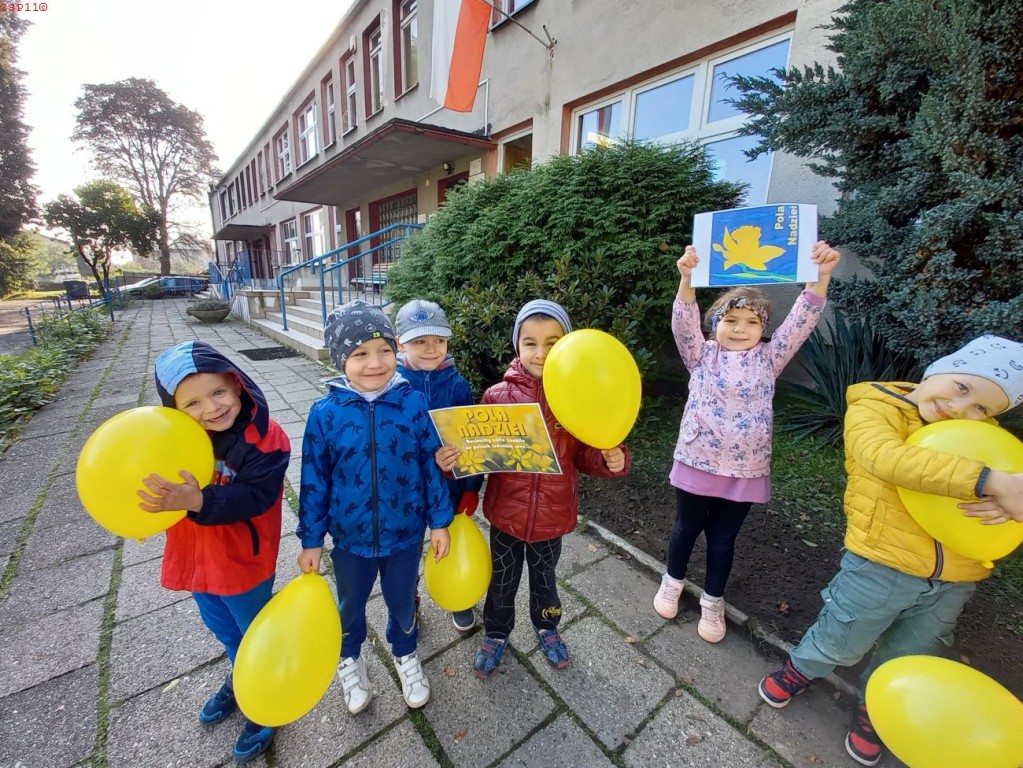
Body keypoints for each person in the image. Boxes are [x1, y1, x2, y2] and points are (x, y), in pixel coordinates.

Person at [756, 334, 1023, 766]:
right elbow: (886, 458)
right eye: (962, 387)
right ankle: (801, 669)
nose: (962, 408)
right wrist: (992, 483)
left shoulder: (983, 441)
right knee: (842, 634)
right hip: (881, 562)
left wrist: (1010, 499)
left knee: (914, 650)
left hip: (956, 576)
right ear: (940, 369)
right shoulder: (876, 408)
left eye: (982, 408)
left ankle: (880, 707)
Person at [653, 242, 841, 644]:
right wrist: (687, 279)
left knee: (723, 538)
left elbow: (801, 320)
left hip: (745, 470)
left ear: (763, 329)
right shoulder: (701, 355)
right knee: (686, 528)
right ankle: (672, 581)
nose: (740, 329)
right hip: (697, 459)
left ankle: (713, 601)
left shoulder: (770, 358)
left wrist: (821, 276)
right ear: (714, 324)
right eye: (731, 320)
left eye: (751, 322)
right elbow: (682, 321)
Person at [296, 300, 452, 715]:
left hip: (405, 533)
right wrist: (311, 539)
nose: (375, 363)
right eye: (360, 353)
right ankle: (350, 659)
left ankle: (405, 653)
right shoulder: (325, 414)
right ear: (341, 359)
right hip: (350, 539)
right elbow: (313, 480)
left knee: (402, 600)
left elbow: (430, 464)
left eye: (384, 350)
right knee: (350, 604)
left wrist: (440, 521)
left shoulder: (412, 403)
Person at [141, 341, 290, 765]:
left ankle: (266, 699)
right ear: (174, 410)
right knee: (224, 630)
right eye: (192, 403)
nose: (211, 408)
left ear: (237, 385)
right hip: (197, 560)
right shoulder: (169, 441)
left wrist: (198, 500)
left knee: (256, 633)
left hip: (243, 563)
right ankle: (241, 677)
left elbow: (256, 497)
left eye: (218, 392)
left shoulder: (267, 438)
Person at [472, 299, 631, 679]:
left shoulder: (578, 398)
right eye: (530, 343)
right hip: (506, 515)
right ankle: (496, 632)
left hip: (552, 516)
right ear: (517, 345)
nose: (540, 353)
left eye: (553, 342)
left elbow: (587, 454)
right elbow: (481, 452)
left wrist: (610, 459)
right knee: (502, 580)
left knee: (545, 581)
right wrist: (458, 463)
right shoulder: (497, 396)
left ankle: (547, 626)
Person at [394, 298, 484, 632]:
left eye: (439, 340)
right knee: (407, 549)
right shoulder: (392, 386)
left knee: (450, 537)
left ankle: (460, 594)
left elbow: (471, 440)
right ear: (400, 343)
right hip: (406, 488)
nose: (432, 349)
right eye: (420, 341)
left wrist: (471, 486)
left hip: (450, 486)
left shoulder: (458, 385)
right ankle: (410, 597)